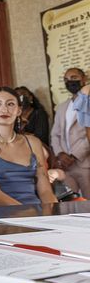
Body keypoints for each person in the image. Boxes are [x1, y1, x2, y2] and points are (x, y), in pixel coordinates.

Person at [0, 87, 57, 206]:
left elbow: (46, 191)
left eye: (10, 104)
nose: (4, 109)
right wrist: (28, 215)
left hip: (37, 213)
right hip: (3, 215)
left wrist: (53, 213)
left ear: (19, 110)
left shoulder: (33, 142)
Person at [51, 67, 90, 196]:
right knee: (71, 204)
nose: (70, 82)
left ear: (83, 79)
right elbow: (55, 134)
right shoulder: (62, 107)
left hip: (84, 163)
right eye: (66, 79)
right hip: (65, 166)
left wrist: (74, 155)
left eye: (74, 78)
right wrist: (60, 153)